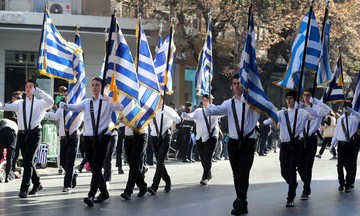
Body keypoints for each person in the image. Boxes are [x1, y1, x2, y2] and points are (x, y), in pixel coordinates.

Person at [60, 77, 124, 206]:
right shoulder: (87, 102)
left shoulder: (106, 102)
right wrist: (64, 105)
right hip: (88, 138)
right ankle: (104, 193)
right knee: (95, 168)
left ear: (101, 87)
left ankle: (91, 195)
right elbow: (74, 107)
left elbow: (120, 107)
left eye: (97, 85)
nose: (95, 87)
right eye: (93, 85)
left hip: (102, 138)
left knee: (96, 167)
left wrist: (108, 99)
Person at [205, 74, 260, 215]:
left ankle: (239, 202)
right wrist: (208, 109)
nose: (236, 86)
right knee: (236, 174)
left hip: (248, 142)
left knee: (244, 173)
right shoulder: (228, 103)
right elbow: (218, 110)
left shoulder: (251, 102)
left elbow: (264, 107)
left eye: (239, 83)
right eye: (234, 83)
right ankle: (242, 203)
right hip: (233, 143)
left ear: (243, 85)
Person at [263, 90, 318, 208]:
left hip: (296, 144)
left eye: (291, 98)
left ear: (295, 100)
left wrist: (304, 105)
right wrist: (264, 121)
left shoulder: (302, 112)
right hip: (284, 145)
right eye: (287, 98)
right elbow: (272, 120)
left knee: (292, 169)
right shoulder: (282, 113)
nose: (288, 100)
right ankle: (293, 185)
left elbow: (315, 115)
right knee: (284, 171)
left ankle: (290, 197)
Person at [0, 79, 54, 198]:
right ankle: (37, 183)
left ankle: (24, 188)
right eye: (27, 86)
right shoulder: (20, 103)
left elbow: (50, 101)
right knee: (28, 161)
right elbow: (7, 106)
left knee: (28, 161)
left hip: (35, 133)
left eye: (31, 86)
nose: (28, 88)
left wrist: (39, 91)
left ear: (34, 89)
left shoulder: (40, 103)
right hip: (22, 134)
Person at [45, 90, 82, 192]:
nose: (66, 97)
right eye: (65, 95)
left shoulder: (77, 108)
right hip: (63, 138)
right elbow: (55, 116)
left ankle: (67, 185)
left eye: (68, 95)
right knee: (62, 160)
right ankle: (73, 173)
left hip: (73, 137)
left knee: (70, 161)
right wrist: (45, 114)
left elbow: (80, 121)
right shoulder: (62, 109)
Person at [298, 88, 331, 200]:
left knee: (308, 166)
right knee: (300, 167)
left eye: (308, 95)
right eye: (304, 95)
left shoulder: (317, 108)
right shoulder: (300, 107)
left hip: (312, 139)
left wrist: (315, 101)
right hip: (301, 139)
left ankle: (306, 189)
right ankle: (307, 182)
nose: (306, 97)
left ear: (312, 96)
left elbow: (328, 110)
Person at [182, 94, 222, 185]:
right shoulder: (199, 111)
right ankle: (209, 173)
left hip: (211, 136)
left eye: (207, 101)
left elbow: (222, 113)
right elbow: (191, 116)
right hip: (200, 136)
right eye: (203, 100)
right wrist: (185, 115)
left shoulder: (214, 110)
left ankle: (205, 177)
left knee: (207, 156)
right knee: (203, 157)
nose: (205, 102)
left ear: (210, 101)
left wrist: (213, 109)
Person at [147, 97, 181, 195]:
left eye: (159, 97)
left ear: (162, 98)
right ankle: (168, 180)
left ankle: (154, 186)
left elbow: (178, 120)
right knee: (159, 162)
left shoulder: (168, 109)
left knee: (160, 161)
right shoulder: (150, 110)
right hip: (154, 138)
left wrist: (165, 111)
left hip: (165, 136)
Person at [330, 102, 360, 192]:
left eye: (346, 108)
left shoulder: (354, 118)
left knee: (349, 165)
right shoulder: (340, 119)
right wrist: (332, 144)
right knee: (339, 165)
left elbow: (359, 116)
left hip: (350, 144)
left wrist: (352, 111)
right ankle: (341, 183)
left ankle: (348, 184)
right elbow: (337, 132)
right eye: (344, 108)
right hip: (341, 144)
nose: (344, 110)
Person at [121, 123, 149, 200]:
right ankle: (142, 186)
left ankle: (128, 191)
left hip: (141, 135)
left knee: (134, 163)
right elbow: (120, 122)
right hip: (128, 137)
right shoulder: (125, 110)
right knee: (132, 164)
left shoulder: (145, 110)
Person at [4, 91, 22, 178]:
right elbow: (10, 118)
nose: (20, 100)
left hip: (18, 132)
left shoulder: (20, 106)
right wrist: (21, 119)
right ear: (13, 98)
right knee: (11, 154)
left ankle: (13, 171)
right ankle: (9, 172)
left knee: (16, 154)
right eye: (18, 98)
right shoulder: (9, 106)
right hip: (9, 132)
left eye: (21, 99)